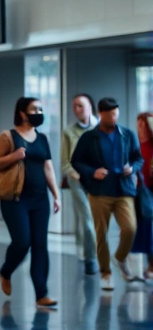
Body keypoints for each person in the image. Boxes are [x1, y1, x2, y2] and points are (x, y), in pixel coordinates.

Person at [0, 97, 61, 305]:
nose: (38, 112)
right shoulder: (8, 137)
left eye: (40, 109)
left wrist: (56, 195)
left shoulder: (42, 138)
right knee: (22, 242)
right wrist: (13, 156)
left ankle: (41, 294)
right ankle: (6, 270)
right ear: (22, 113)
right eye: (34, 109)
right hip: (15, 200)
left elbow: (48, 168)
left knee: (40, 245)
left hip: (40, 200)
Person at [71, 97, 145, 290]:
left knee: (130, 228)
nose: (114, 117)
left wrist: (133, 167)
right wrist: (92, 172)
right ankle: (105, 273)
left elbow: (138, 158)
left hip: (124, 190)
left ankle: (119, 258)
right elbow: (76, 161)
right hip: (99, 192)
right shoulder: (89, 137)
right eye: (110, 114)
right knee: (100, 233)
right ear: (101, 114)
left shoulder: (127, 134)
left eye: (116, 113)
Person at [62, 93, 100, 275]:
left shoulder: (101, 128)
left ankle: (87, 251)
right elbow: (65, 161)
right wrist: (75, 174)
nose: (77, 110)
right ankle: (91, 258)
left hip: (98, 181)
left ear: (90, 107)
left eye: (80, 105)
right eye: (74, 106)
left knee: (93, 220)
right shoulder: (69, 131)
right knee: (86, 219)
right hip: (77, 180)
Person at [132, 112, 153, 280]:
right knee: (145, 230)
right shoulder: (135, 145)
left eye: (144, 124)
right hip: (140, 193)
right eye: (139, 124)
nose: (141, 128)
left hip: (150, 191)